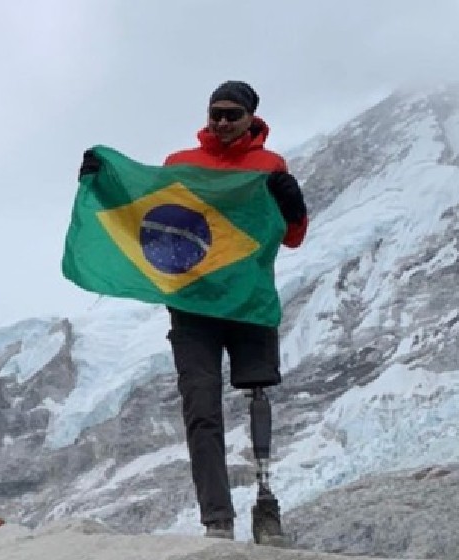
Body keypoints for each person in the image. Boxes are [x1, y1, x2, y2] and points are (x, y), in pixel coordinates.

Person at [78, 81, 307, 542]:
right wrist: (104, 181)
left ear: (251, 118)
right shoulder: (180, 164)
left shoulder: (268, 166)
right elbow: (151, 220)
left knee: (258, 396)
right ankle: (217, 520)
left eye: (231, 114)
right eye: (214, 113)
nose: (221, 122)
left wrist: (291, 203)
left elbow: (293, 236)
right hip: (193, 308)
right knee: (201, 409)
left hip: (247, 302)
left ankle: (266, 503)